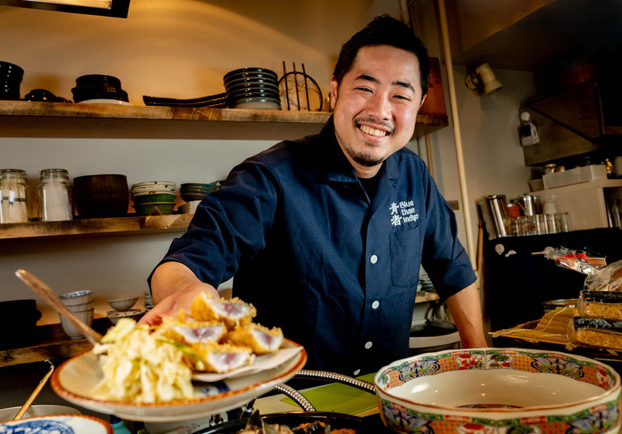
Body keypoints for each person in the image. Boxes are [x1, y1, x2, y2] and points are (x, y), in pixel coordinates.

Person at [141, 14, 487, 376]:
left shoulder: (415, 175)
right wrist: (186, 293)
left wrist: (480, 366)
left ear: (418, 104)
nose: (381, 111)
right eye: (365, 88)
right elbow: (185, 262)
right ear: (335, 91)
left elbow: (454, 269)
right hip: (293, 405)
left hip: (390, 396)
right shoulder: (269, 178)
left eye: (400, 95)